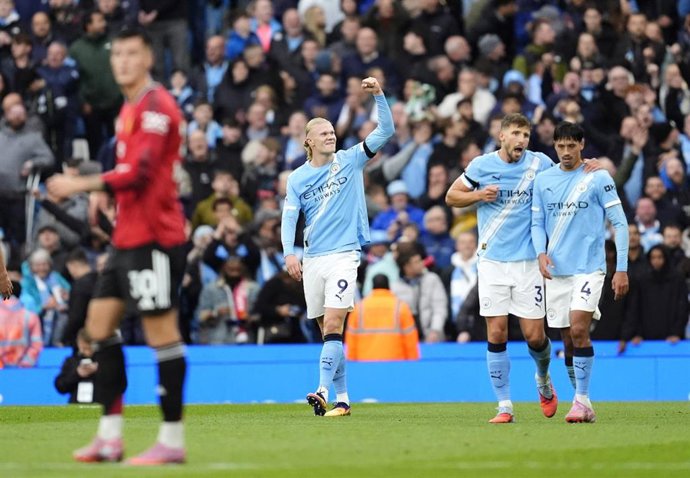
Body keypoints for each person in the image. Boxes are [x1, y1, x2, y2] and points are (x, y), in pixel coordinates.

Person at [47, 28, 188, 465]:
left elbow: (143, 171)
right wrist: (105, 194)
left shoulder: (156, 107)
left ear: (148, 57)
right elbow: (130, 170)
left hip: (156, 239)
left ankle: (171, 440)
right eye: (118, 54)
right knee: (98, 327)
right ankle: (110, 437)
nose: (123, 61)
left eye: (132, 53)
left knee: (161, 334)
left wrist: (82, 183)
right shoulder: (127, 109)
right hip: (126, 237)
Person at [281, 76, 394, 417]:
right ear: (309, 142)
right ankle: (343, 400)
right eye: (324, 133)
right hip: (313, 259)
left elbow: (385, 132)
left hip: (344, 255)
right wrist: (289, 251)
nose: (331, 135)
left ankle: (322, 389)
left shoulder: (351, 159)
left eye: (332, 131)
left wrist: (379, 96)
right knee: (328, 332)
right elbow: (289, 218)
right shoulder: (297, 178)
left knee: (333, 324)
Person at [445, 113, 561, 424]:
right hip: (492, 262)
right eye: (516, 133)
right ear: (502, 136)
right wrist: (478, 195)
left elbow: (566, 178)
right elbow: (451, 196)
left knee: (535, 336)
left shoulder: (540, 164)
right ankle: (504, 404)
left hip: (526, 263)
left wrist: (587, 168)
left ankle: (543, 378)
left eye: (526, 134)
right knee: (496, 332)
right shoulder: (482, 166)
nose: (522, 139)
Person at [531, 121, 629, 423]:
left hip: (589, 268)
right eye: (560, 146)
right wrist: (541, 253)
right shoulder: (543, 180)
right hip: (557, 272)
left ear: (582, 145)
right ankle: (581, 401)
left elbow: (620, 223)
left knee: (578, 329)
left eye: (571, 146)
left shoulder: (597, 177)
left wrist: (621, 269)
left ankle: (582, 400)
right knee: (568, 340)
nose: (565, 152)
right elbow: (536, 223)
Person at [346, 274, 419, 361]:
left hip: (365, 364)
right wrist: (413, 362)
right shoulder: (401, 307)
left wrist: (352, 362)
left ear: (372, 287)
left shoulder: (359, 308)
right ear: (389, 286)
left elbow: (351, 339)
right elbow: (410, 340)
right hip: (396, 364)